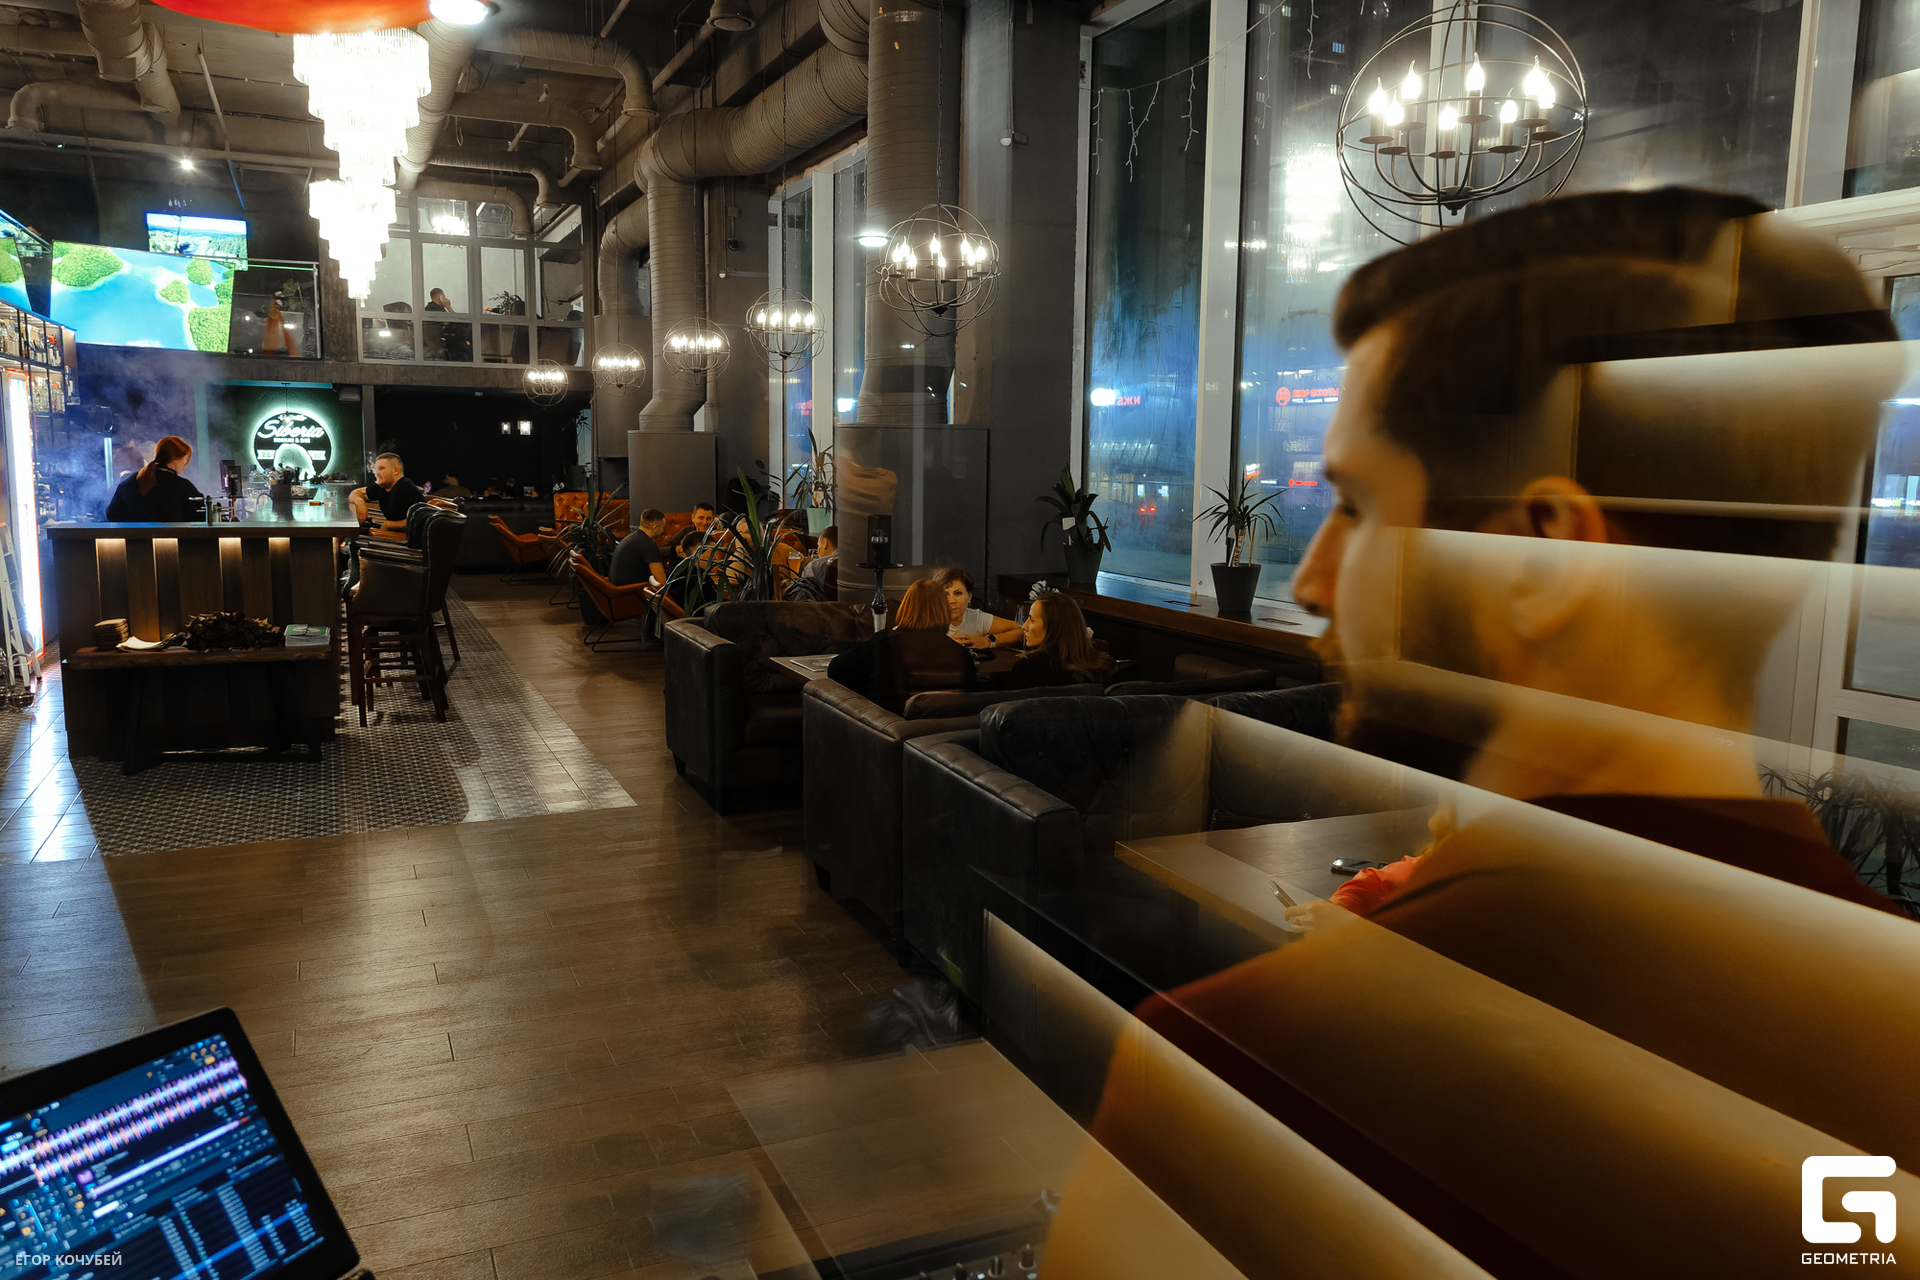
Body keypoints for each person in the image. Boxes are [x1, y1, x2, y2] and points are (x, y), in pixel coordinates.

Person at [827, 579, 974, 711]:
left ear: (906, 607)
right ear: (944, 610)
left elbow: (836, 670)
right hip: (945, 727)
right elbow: (968, 697)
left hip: (889, 723)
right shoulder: (962, 654)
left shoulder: (885, 642)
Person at [1001, 594, 1114, 689]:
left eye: (1032, 620)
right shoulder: (1105, 667)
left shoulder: (1027, 668)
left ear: (1053, 627)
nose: (1024, 626)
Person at [106, 435, 203, 522]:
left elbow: (112, 514)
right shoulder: (183, 486)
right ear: (175, 459)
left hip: (135, 537)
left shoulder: (131, 481)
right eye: (186, 459)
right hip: (173, 537)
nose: (188, 463)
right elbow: (200, 516)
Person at [934, 567, 1021, 650]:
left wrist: (987, 641)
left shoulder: (976, 618)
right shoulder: (928, 620)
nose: (952, 600)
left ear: (969, 596)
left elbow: (1022, 630)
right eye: (945, 594)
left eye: (958, 593)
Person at [348, 452, 425, 525]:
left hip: (402, 534)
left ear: (396, 470)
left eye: (381, 468)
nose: (377, 473)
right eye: (376, 469)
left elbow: (421, 521)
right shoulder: (383, 486)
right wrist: (359, 502)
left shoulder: (406, 488)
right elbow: (355, 493)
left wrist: (389, 525)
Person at [610, 509, 669, 587]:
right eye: (662, 527)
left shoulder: (631, 538)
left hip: (614, 589)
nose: (662, 530)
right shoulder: (649, 545)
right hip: (630, 591)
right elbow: (661, 581)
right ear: (655, 528)